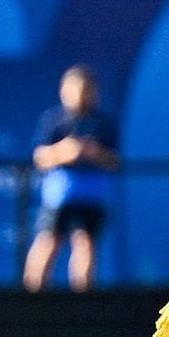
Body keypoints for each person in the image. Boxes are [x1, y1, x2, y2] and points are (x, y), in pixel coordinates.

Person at [23, 64, 120, 291]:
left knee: (85, 244)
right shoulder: (53, 120)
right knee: (48, 243)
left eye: (87, 91)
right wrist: (65, 152)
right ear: (65, 91)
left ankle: (82, 299)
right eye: (77, 90)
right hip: (59, 196)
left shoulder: (103, 124)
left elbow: (114, 161)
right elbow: (40, 157)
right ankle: (31, 297)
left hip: (91, 197)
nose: (82, 96)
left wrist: (94, 153)